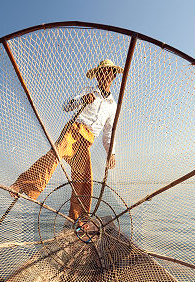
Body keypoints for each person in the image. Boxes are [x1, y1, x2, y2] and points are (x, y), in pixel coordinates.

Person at [9, 59, 123, 223]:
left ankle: (77, 220)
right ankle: (22, 185)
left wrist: (111, 152)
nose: (104, 76)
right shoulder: (88, 90)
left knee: (84, 179)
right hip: (73, 129)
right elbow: (66, 106)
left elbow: (108, 132)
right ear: (97, 76)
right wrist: (82, 100)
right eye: (100, 73)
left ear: (113, 76)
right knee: (54, 156)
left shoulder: (113, 105)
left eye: (107, 73)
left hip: (87, 140)